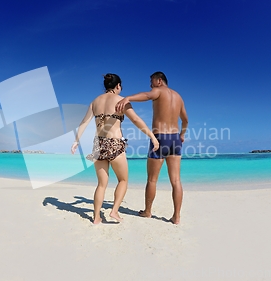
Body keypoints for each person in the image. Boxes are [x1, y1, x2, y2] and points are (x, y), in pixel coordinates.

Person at [71, 73, 159, 225]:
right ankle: (114, 211)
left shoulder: (95, 101)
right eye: (121, 87)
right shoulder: (121, 101)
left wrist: (76, 141)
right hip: (115, 144)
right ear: (118, 86)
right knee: (123, 180)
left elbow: (84, 122)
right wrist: (152, 136)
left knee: (101, 184)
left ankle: (96, 217)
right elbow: (136, 120)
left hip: (98, 145)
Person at [115, 71, 188, 224]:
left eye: (152, 81)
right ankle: (177, 217)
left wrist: (128, 98)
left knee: (152, 180)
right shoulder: (179, 97)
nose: (150, 85)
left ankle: (147, 211)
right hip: (175, 138)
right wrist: (182, 134)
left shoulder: (159, 91)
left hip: (160, 138)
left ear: (159, 81)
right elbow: (185, 119)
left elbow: (147, 96)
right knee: (176, 180)